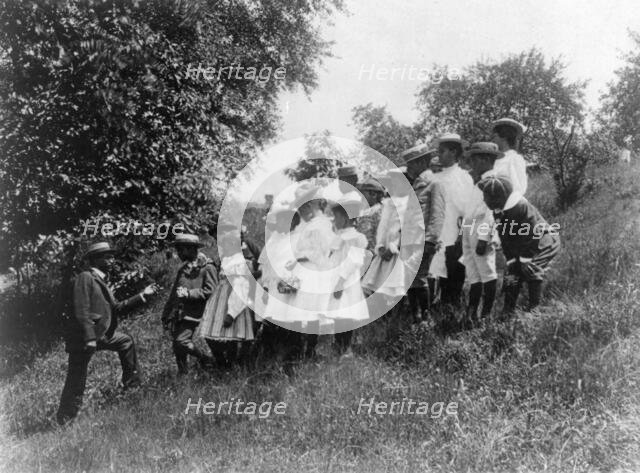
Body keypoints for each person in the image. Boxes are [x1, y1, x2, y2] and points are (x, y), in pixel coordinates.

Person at [57, 242, 157, 425]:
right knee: (76, 379)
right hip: (83, 338)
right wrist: (89, 338)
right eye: (107, 256)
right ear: (95, 259)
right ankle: (65, 420)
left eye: (112, 256)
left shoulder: (100, 280)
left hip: (101, 334)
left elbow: (116, 308)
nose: (112, 260)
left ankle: (132, 387)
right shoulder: (85, 277)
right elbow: (81, 309)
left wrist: (142, 295)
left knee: (126, 341)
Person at [478, 175, 561, 318]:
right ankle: (508, 310)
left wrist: (525, 259)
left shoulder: (520, 206)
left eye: (487, 197)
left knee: (531, 268)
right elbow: (505, 237)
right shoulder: (498, 211)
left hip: (542, 241)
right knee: (512, 274)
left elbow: (534, 232)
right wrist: (511, 260)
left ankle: (534, 309)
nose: (484, 200)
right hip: (522, 244)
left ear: (498, 197)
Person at [198, 229, 256, 367]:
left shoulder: (242, 263)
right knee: (211, 334)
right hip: (220, 302)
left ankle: (230, 364)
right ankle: (222, 361)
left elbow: (242, 288)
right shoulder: (227, 260)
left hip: (233, 303)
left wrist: (232, 313)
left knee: (231, 337)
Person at [402, 144, 445, 323]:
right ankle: (415, 317)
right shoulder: (413, 185)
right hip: (409, 240)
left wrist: (431, 240)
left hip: (422, 240)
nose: (409, 168)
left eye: (412, 164)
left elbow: (437, 214)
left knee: (419, 278)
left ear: (421, 162)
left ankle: (425, 318)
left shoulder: (433, 183)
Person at [161, 233, 217, 374]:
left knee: (181, 341)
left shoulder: (207, 266)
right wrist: (166, 314)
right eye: (178, 250)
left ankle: (205, 358)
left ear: (192, 249)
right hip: (179, 313)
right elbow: (174, 294)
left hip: (194, 312)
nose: (178, 253)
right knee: (177, 346)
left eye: (181, 250)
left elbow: (211, 291)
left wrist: (189, 294)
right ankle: (183, 374)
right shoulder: (183, 268)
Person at [461, 142, 500, 327]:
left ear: (486, 159)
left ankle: (486, 315)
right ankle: (471, 313)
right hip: (468, 227)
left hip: (481, 227)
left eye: (475, 159)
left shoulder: (492, 180)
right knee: (473, 274)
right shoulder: (475, 181)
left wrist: (484, 238)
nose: (472, 163)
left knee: (486, 271)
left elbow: (490, 212)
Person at [327, 195, 371, 357]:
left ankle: (346, 347)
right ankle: (338, 345)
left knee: (346, 314)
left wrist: (340, 281)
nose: (334, 220)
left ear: (345, 218)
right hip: (336, 279)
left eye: (336, 217)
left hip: (346, 281)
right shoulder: (339, 237)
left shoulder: (356, 238)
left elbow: (353, 261)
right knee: (338, 314)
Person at [434, 133, 475, 308]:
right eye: (439, 151)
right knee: (438, 275)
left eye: (442, 151)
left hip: (455, 235)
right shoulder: (436, 177)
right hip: (438, 235)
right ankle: (440, 309)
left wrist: (462, 236)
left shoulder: (462, 177)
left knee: (454, 276)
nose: (439, 155)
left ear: (453, 152)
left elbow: (469, 209)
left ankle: (452, 313)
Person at [362, 168, 410, 300]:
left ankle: (401, 310)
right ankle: (385, 311)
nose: (394, 186)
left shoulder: (409, 203)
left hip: (398, 250)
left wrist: (394, 247)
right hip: (384, 249)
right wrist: (381, 246)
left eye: (398, 182)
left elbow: (405, 228)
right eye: (392, 183)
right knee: (378, 280)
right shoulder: (389, 204)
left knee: (397, 282)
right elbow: (383, 227)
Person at [491, 118, 528, 195]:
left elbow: (520, 188)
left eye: (495, 136)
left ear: (504, 137)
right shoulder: (494, 159)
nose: (492, 140)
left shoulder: (514, 158)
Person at [356, 176, 385, 253]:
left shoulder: (372, 212)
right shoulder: (382, 209)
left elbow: (365, 238)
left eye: (362, 194)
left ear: (373, 194)